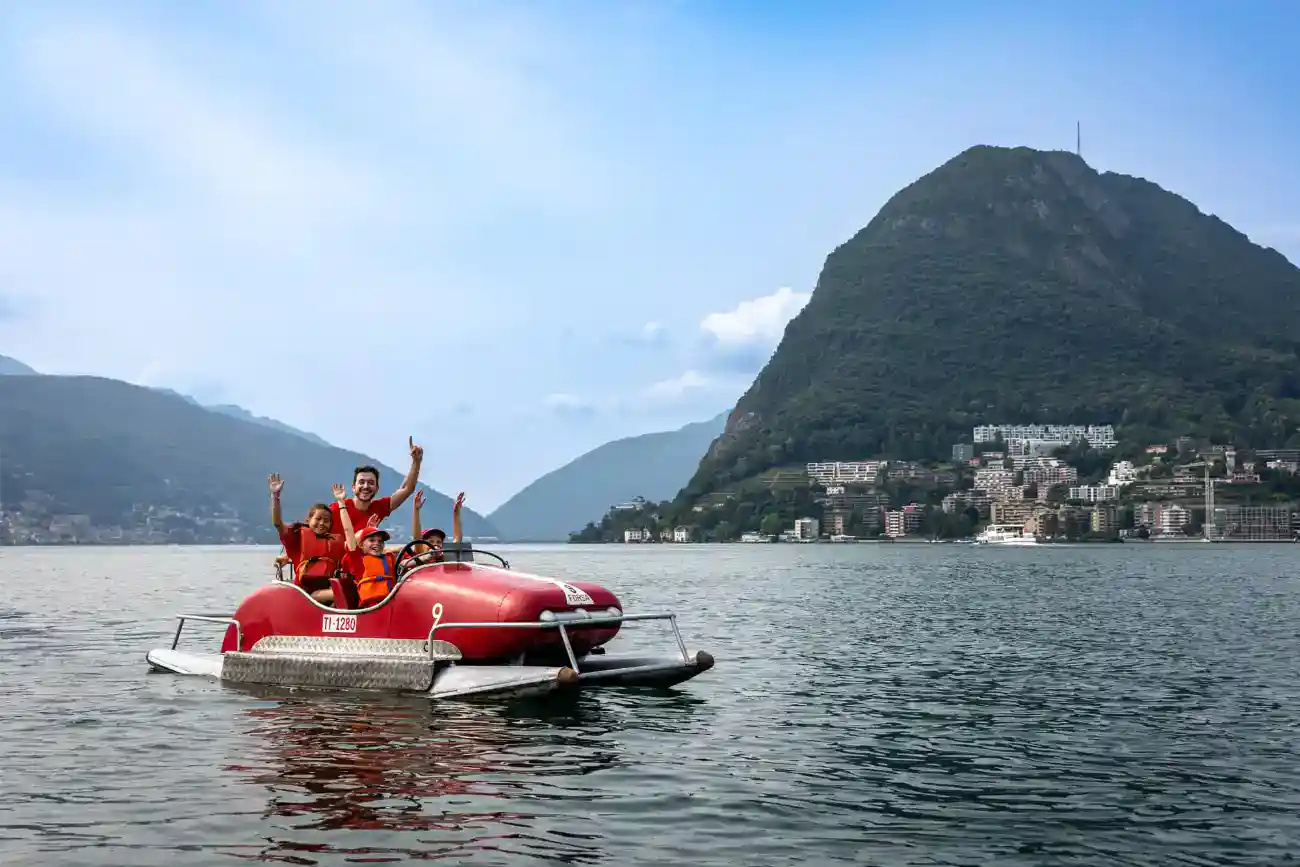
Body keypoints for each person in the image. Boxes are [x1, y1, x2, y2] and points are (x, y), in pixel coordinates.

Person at [268, 473, 347, 605]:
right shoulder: (297, 538)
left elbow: (353, 549)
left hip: (327, 592)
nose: (322, 523)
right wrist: (275, 496)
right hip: (306, 595)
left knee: (344, 592)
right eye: (318, 519)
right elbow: (277, 523)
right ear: (308, 519)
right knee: (340, 593)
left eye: (326, 521)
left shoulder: (336, 541)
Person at [329, 436, 424, 536]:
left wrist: (416, 462)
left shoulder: (378, 509)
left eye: (371, 483)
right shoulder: (336, 508)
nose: (366, 486)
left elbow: (406, 489)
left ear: (377, 489)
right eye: (361, 482)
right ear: (353, 487)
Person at [332, 483, 403, 607]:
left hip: (391, 607)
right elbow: (348, 531)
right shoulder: (357, 561)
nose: (377, 543)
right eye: (372, 540)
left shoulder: (390, 559)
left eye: (380, 541)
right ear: (361, 545)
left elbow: (408, 563)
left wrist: (427, 557)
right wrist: (341, 503)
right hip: (370, 609)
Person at [409, 491, 465, 564]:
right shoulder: (420, 554)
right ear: (422, 545)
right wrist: (416, 510)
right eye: (431, 542)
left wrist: (456, 511)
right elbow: (417, 538)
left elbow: (457, 539)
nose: (435, 544)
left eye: (439, 542)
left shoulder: (444, 557)